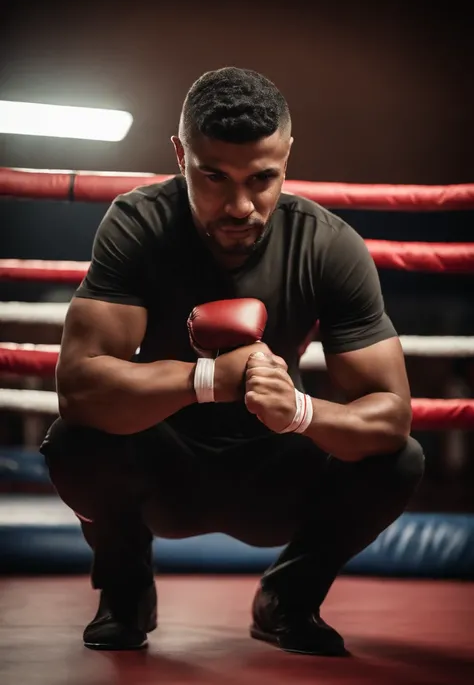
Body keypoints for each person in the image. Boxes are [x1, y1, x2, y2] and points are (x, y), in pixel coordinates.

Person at [40, 66, 424, 656]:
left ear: (288, 156)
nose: (240, 204)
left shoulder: (327, 245)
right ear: (180, 154)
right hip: (162, 460)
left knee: (398, 460)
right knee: (74, 441)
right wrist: (206, 379)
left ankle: (288, 598)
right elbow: (80, 389)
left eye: (262, 178)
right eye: (212, 176)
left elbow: (390, 415)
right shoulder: (139, 224)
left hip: (274, 470)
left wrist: (297, 410)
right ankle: (125, 592)